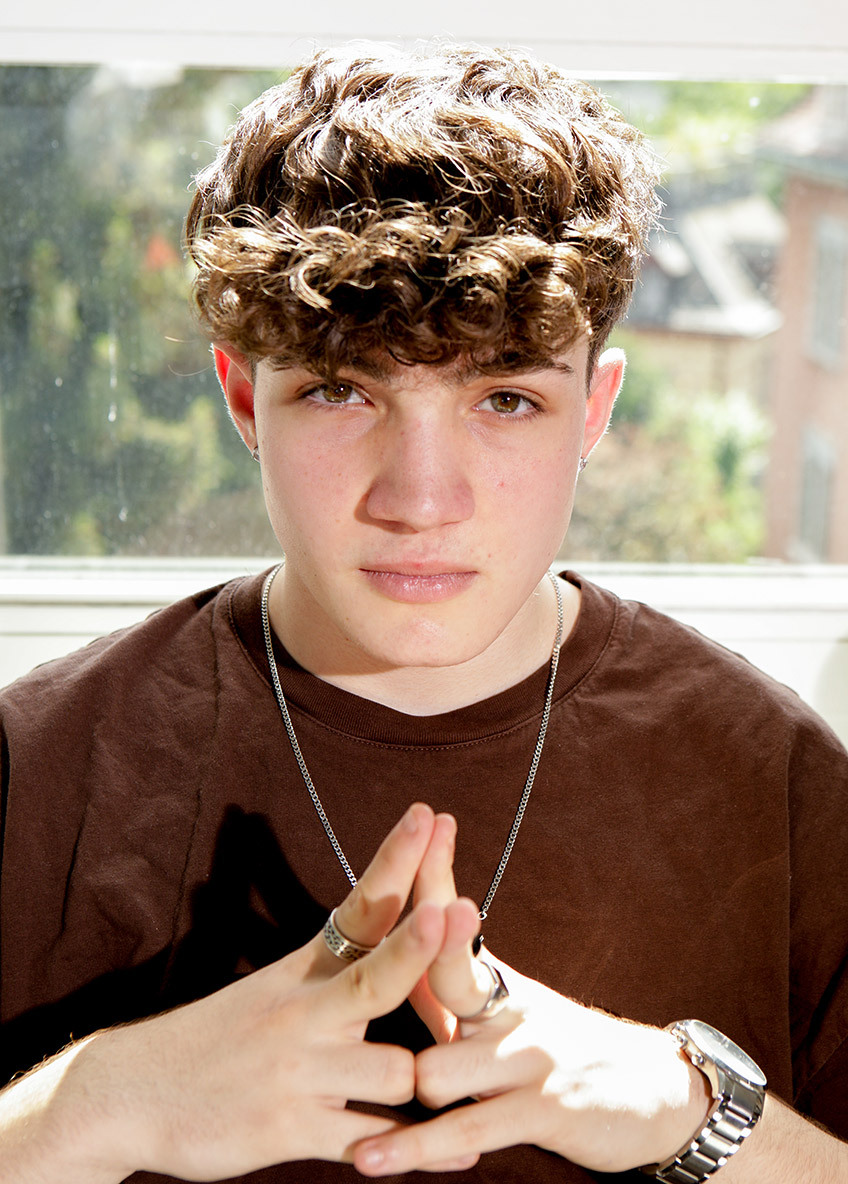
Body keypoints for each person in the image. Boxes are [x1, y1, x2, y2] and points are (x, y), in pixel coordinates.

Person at [0, 40, 846, 1184]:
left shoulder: (780, 784)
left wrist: (683, 1104)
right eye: (339, 389)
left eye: (505, 399)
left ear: (593, 410)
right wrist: (94, 1104)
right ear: (243, 394)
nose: (420, 500)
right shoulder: (34, 771)